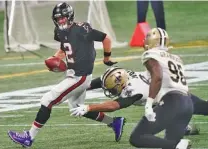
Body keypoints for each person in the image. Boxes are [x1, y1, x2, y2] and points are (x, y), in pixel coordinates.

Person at [7, 2, 125, 147]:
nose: (61, 21)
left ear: (70, 16)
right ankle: (114, 122)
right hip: (74, 75)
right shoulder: (59, 32)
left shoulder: (82, 29)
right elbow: (65, 48)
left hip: (79, 77)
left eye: (63, 18)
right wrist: (55, 58)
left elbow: (106, 38)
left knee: (47, 100)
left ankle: (29, 137)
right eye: (58, 18)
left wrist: (106, 58)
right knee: (77, 108)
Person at [71, 28, 193, 149]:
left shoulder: (134, 91)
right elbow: (101, 81)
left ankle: (178, 133)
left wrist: (88, 107)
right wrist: (78, 87)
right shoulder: (121, 75)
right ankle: (180, 126)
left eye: (113, 89)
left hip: (169, 101)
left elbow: (114, 106)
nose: (112, 92)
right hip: (171, 95)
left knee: (139, 137)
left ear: (121, 85)